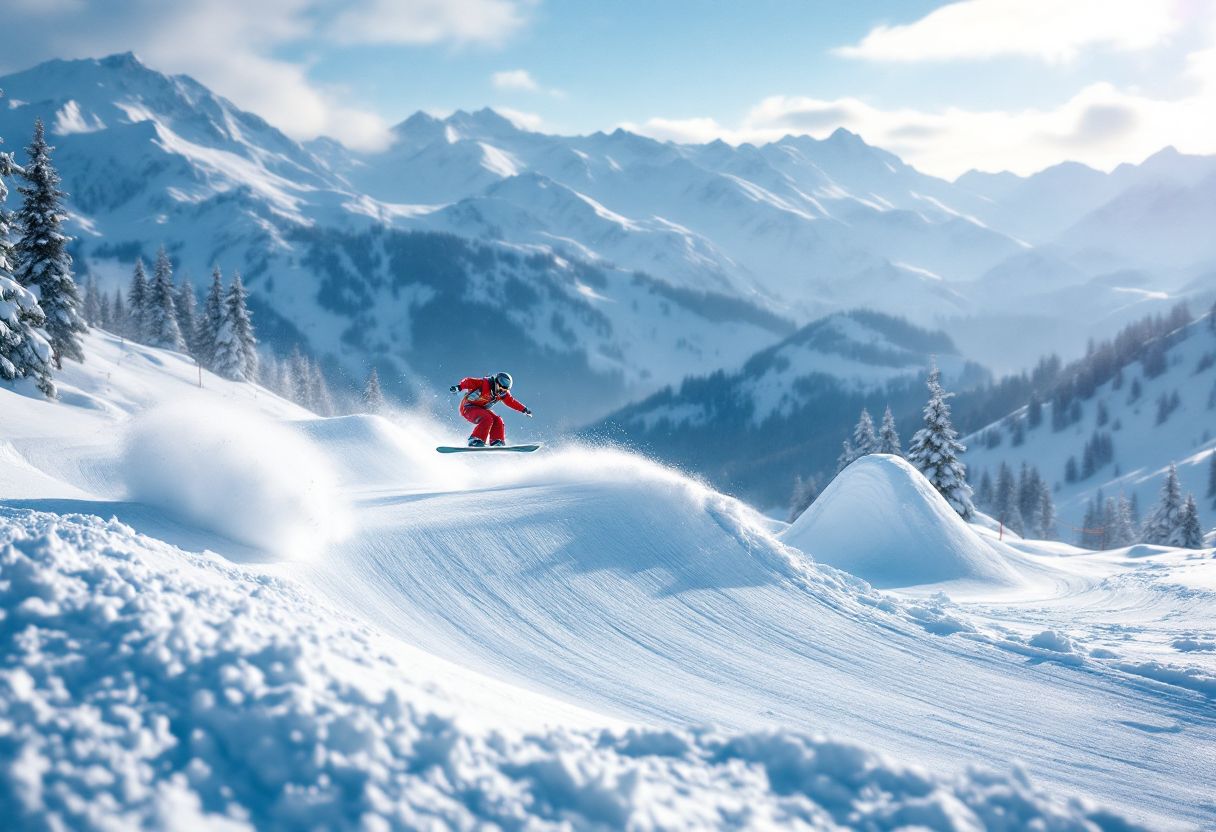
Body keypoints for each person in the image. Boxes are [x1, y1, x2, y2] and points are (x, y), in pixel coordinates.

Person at [450, 371, 532, 447]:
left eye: (506, 387)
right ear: (496, 381)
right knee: (487, 418)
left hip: (482, 409)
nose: (502, 388)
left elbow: (511, 402)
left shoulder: (503, 394)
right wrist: (459, 387)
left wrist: (524, 409)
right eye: (502, 383)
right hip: (468, 408)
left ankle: (497, 441)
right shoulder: (484, 384)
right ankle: (475, 440)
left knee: (497, 419)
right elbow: (468, 382)